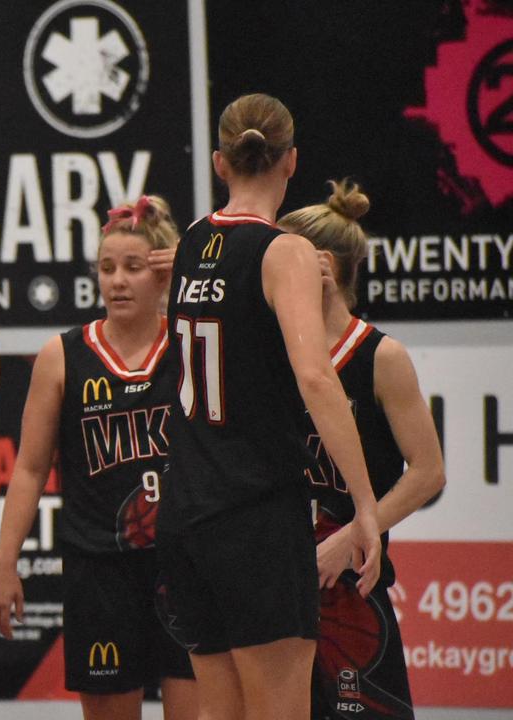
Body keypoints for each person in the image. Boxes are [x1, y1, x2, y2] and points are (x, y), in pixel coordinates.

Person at [155, 93, 382, 720]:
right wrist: (365, 504)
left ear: (221, 163)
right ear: (291, 162)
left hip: (186, 513)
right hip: (254, 514)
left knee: (219, 711)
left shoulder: (195, 240)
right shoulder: (282, 251)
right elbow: (315, 376)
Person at [0, 196, 196, 720]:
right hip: (100, 568)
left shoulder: (194, 345)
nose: (118, 281)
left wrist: (191, 267)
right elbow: (31, 469)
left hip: (188, 562)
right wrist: (5, 563)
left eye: (133, 267)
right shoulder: (64, 355)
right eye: (107, 268)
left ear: (164, 274)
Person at [277, 180, 444, 720]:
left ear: (320, 265)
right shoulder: (269, 352)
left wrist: (351, 534)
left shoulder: (380, 355)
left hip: (348, 583)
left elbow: (427, 471)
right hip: (274, 582)